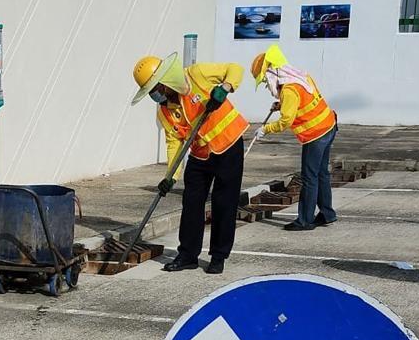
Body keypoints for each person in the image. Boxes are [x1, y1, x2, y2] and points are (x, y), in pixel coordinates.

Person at [131, 52, 247, 274]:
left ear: (164, 82)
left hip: (228, 145)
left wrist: (224, 87)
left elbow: (235, 68)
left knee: (224, 202)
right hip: (200, 154)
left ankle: (218, 256)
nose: (154, 95)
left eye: (154, 89)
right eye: (150, 93)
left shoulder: (196, 75)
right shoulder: (165, 111)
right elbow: (174, 144)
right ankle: (187, 255)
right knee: (192, 202)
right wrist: (170, 177)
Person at [250, 45, 338, 232]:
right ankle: (328, 214)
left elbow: (285, 121)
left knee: (309, 178)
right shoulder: (300, 77)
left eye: (266, 81)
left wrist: (265, 129)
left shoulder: (289, 90)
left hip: (315, 135)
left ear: (272, 73)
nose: (267, 85)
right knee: (322, 174)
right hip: (329, 125)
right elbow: (300, 101)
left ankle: (305, 220)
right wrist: (281, 104)